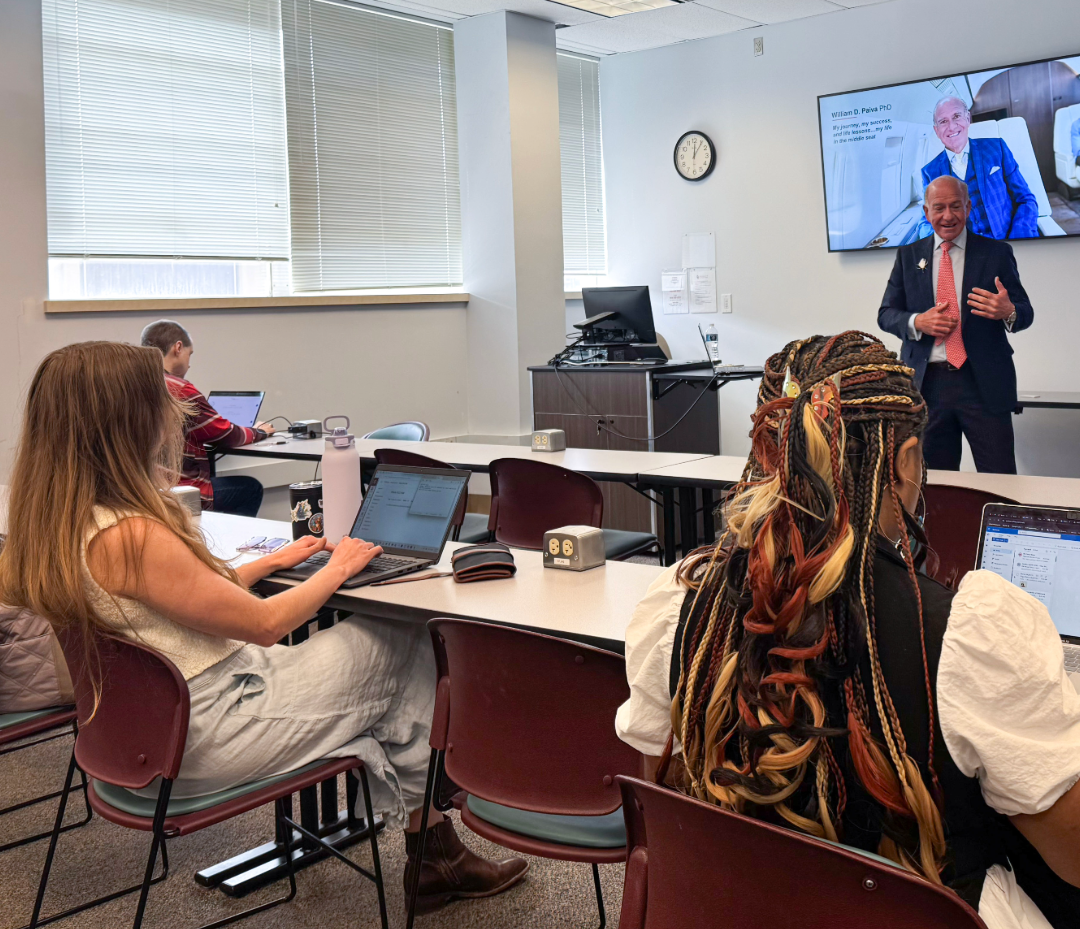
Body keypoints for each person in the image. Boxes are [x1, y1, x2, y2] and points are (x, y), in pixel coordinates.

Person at [0, 341, 527, 914]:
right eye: (160, 400)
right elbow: (268, 624)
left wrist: (266, 564)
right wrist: (342, 567)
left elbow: (158, 599)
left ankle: (431, 844)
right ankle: (435, 841)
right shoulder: (132, 533)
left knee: (379, 691)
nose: (172, 411)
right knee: (398, 642)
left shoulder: (54, 522)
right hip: (207, 733)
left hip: (137, 737)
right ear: (124, 420)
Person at [616, 331, 1080, 929]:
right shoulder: (967, 634)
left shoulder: (683, 608)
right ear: (907, 460)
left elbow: (674, 779)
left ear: (765, 452)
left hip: (739, 905)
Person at [877, 175, 1033, 473]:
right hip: (927, 387)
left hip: (983, 384)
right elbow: (886, 313)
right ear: (926, 212)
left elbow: (1025, 312)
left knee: (1000, 479)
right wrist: (917, 321)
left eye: (955, 206)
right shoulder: (908, 256)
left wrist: (1008, 310)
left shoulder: (996, 253)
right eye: (939, 208)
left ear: (968, 207)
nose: (947, 216)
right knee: (935, 486)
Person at [140, 320, 270, 516]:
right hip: (179, 490)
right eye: (189, 354)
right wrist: (259, 432)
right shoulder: (179, 388)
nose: (189, 363)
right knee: (250, 488)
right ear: (178, 348)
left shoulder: (135, 384)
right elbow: (228, 434)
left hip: (144, 488)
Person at [920, 96, 1039, 240]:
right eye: (943, 121)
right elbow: (927, 221)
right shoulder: (929, 172)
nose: (951, 126)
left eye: (956, 116)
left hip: (1007, 240)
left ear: (968, 119)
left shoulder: (997, 148)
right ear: (937, 130)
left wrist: (1019, 239)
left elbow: (1026, 199)